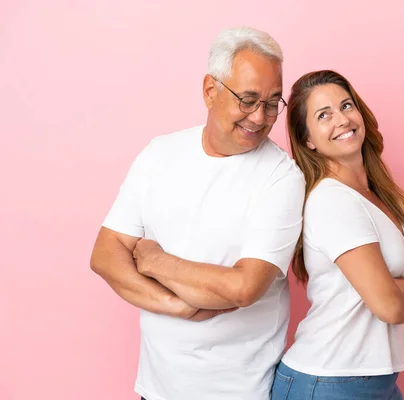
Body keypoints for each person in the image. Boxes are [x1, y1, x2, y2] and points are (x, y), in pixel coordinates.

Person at [90, 26, 305, 400]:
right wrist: (177, 305)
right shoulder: (160, 154)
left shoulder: (281, 177)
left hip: (240, 391)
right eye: (248, 99)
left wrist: (155, 261)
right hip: (156, 388)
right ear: (210, 90)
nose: (260, 118)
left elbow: (243, 287)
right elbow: (106, 256)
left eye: (272, 102)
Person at [271, 70, 404, 400]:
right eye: (324, 115)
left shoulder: (378, 195)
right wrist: (401, 293)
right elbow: (391, 309)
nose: (342, 119)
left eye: (346, 106)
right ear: (308, 140)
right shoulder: (333, 200)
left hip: (374, 380)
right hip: (330, 381)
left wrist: (401, 288)